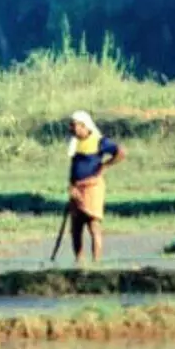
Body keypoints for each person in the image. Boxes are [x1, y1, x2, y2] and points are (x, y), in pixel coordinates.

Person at [66, 110, 124, 263]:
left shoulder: (99, 141)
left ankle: (96, 261)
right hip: (76, 188)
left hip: (93, 187)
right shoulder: (75, 143)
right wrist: (71, 186)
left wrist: (105, 166)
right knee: (76, 227)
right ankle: (79, 260)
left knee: (93, 224)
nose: (71, 128)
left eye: (73, 125)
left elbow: (120, 152)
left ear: (83, 125)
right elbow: (74, 166)